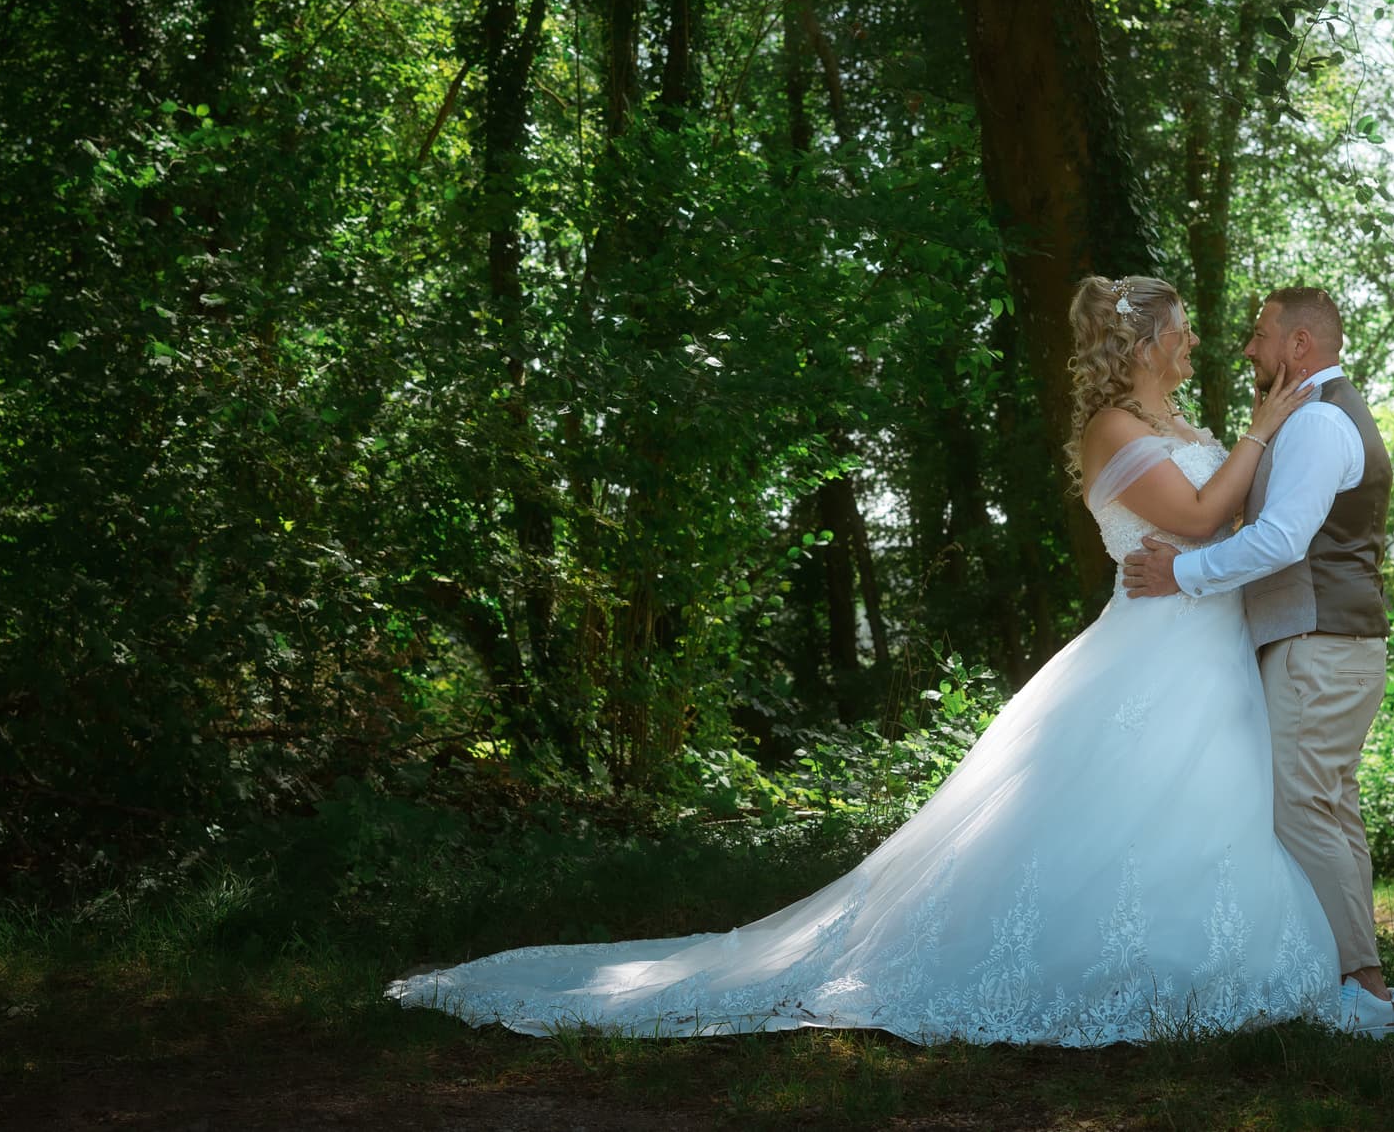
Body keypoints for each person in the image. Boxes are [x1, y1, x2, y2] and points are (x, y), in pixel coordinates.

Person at [387, 276, 1339, 1045]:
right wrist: (1265, 423)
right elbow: (1208, 515)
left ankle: (1190, 958)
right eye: (1178, 331)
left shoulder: (1179, 425)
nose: (1193, 344)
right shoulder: (1116, 432)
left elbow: (1236, 515)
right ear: (1140, 345)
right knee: (1123, 812)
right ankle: (1101, 960)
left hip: (1206, 645)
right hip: (1152, 647)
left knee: (1197, 805)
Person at [1121, 286, 1394, 1039]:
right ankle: (1361, 982)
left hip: (1321, 644)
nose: (1248, 348)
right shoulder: (1322, 413)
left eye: (1260, 334)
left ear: (1300, 346)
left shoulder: (1315, 422)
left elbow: (1281, 540)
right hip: (1332, 642)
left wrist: (1178, 574)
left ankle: (1364, 991)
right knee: (1331, 806)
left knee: (1301, 807)